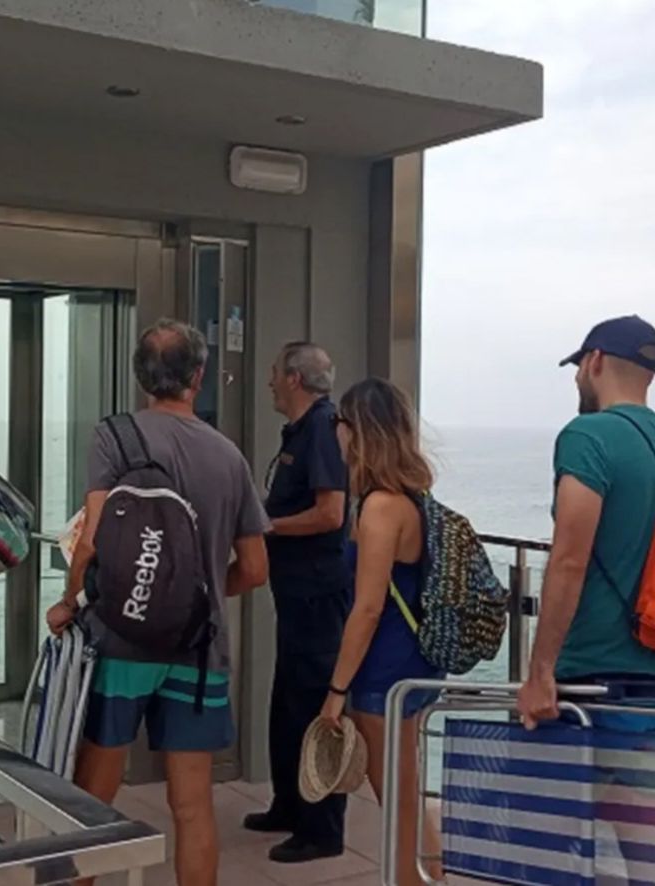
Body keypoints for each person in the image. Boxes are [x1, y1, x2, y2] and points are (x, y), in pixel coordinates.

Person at [46, 319, 270, 886]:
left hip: (121, 640)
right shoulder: (229, 457)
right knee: (192, 806)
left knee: (93, 797)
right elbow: (256, 569)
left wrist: (69, 599)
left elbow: (95, 536)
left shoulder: (115, 437)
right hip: (198, 652)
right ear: (198, 376)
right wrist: (192, 596)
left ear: (140, 376)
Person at [517, 316, 655, 731]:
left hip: (590, 685)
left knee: (567, 796)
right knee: (642, 797)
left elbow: (569, 561)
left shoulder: (587, 436)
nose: (577, 377)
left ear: (594, 361)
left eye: (578, 367)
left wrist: (540, 673)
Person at [317, 377, 444, 886]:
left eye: (340, 424)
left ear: (357, 431)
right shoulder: (412, 498)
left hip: (383, 673)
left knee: (398, 804)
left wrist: (335, 691)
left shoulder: (379, 508)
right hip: (412, 663)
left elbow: (366, 609)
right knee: (407, 798)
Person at [244, 342, 350, 863]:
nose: (267, 384)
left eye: (272, 374)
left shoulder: (325, 430)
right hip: (294, 594)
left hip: (318, 595)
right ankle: (289, 803)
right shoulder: (300, 433)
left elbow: (331, 513)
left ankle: (323, 828)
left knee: (312, 705)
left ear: (293, 379)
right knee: (287, 701)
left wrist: (267, 526)